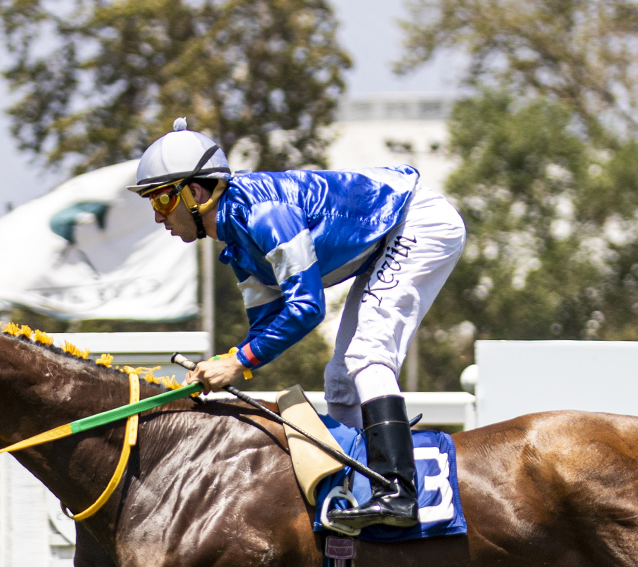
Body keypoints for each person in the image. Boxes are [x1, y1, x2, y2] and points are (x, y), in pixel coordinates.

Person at [129, 118, 466, 531]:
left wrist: (237, 363)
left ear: (195, 193)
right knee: (340, 379)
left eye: (162, 200)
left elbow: (307, 309)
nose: (158, 216)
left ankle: (397, 491)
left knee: (368, 354)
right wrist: (228, 360)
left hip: (417, 221)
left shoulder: (265, 215)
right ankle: (359, 484)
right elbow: (267, 324)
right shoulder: (237, 244)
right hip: (387, 236)